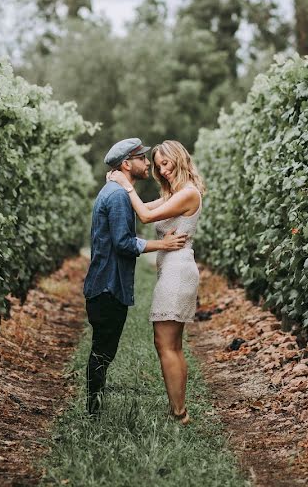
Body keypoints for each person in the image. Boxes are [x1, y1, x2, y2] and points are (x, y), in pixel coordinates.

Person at [83, 138, 188, 417]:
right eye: (143, 159)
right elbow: (124, 243)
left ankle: (94, 408)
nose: (148, 165)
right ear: (127, 164)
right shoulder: (117, 195)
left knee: (102, 350)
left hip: (104, 283)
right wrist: (162, 245)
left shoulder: (115, 191)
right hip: (108, 285)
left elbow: (147, 211)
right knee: (102, 352)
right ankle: (92, 412)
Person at [107, 140, 205, 425]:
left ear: (179, 159)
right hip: (172, 269)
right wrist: (116, 188)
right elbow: (141, 206)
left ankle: (180, 413)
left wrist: (125, 184)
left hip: (178, 271)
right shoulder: (175, 193)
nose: (162, 170)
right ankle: (178, 409)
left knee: (166, 344)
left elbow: (146, 215)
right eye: (158, 165)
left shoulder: (188, 193)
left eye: (166, 163)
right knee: (169, 344)